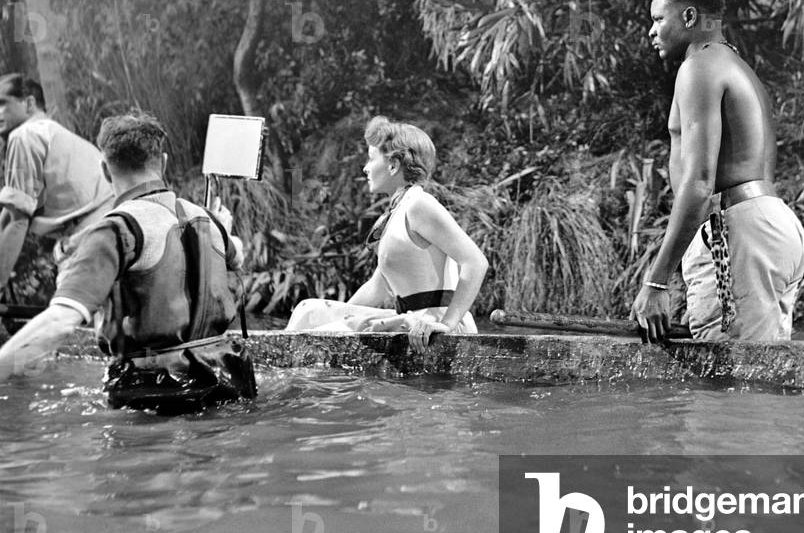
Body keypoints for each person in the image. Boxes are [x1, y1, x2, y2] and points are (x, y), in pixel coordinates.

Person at [0, 112, 251, 409]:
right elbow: (237, 252)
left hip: (153, 402)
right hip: (229, 389)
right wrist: (221, 226)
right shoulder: (208, 220)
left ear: (105, 170)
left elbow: (59, 322)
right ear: (165, 163)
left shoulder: (114, 230)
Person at [630, 0, 804, 343]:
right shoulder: (737, 66)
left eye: (659, 19)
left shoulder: (699, 67)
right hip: (769, 227)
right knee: (757, 384)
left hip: (742, 234)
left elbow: (698, 182)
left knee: (732, 388)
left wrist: (655, 280)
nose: (651, 31)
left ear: (690, 18)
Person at [285, 116, 488, 353]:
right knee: (310, 310)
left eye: (371, 159)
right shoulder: (395, 213)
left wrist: (446, 324)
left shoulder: (418, 204)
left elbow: (475, 262)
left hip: (429, 325)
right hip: (407, 321)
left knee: (314, 326)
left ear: (393, 164)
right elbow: (377, 287)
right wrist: (336, 321)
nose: (365, 167)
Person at [0, 73, 115, 291]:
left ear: (29, 103)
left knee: (70, 315)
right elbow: (10, 213)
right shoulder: (51, 132)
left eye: (2, 104)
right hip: (109, 230)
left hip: (88, 236)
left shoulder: (24, 135)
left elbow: (17, 220)